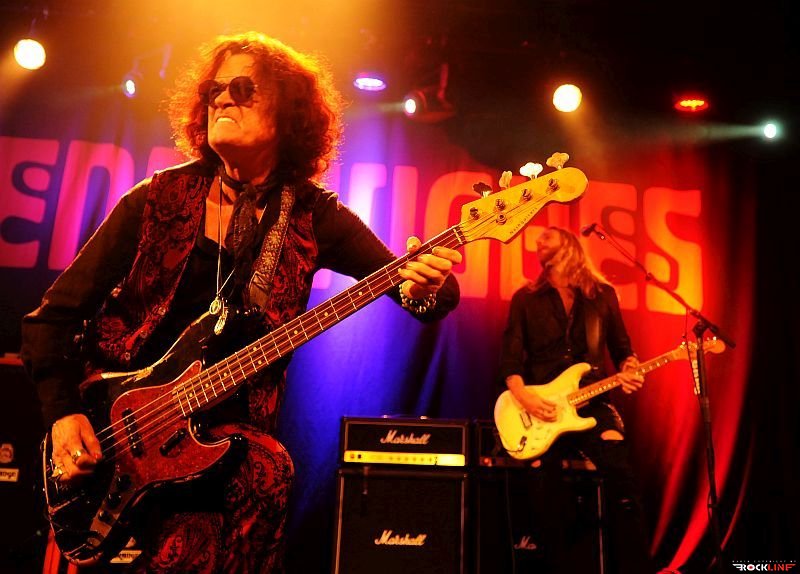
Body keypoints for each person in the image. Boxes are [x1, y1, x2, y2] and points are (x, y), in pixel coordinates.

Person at [21, 31, 461, 573]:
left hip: (223, 448)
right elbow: (50, 320)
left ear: (289, 112)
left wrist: (425, 289)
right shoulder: (155, 198)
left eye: (243, 88)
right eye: (214, 89)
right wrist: (64, 415)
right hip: (113, 431)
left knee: (266, 470)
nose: (222, 98)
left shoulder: (312, 215)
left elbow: (416, 290)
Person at [499, 226, 652, 573]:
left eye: (548, 236)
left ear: (569, 244)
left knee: (621, 473)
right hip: (541, 408)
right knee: (545, 490)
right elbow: (510, 360)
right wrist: (525, 398)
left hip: (592, 403)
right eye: (538, 241)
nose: (538, 241)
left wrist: (631, 370)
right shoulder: (526, 298)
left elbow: (623, 351)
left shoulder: (602, 295)